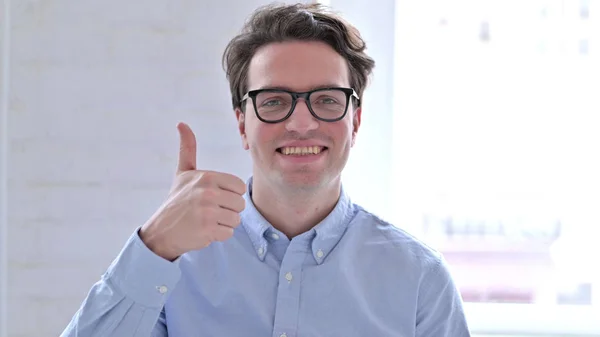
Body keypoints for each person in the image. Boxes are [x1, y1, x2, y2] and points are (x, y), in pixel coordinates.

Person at [61, 3, 470, 336]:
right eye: (274, 101)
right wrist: (152, 247)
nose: (302, 123)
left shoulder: (420, 278)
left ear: (356, 121)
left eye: (327, 99)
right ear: (243, 123)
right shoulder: (174, 264)